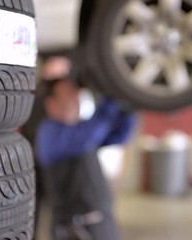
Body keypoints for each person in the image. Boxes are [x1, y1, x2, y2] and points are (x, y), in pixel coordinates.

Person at [36, 57, 136, 240]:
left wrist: (130, 105)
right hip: (74, 230)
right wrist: (112, 90)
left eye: (75, 93)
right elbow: (93, 132)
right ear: (51, 104)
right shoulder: (49, 133)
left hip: (101, 224)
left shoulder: (78, 130)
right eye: (68, 94)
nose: (75, 98)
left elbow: (119, 135)